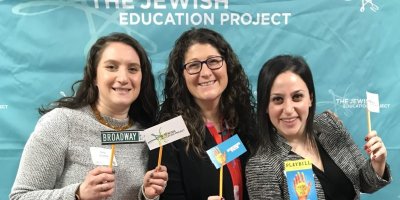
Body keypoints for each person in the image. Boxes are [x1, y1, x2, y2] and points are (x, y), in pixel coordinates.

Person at [10, 32, 168, 200]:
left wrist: (147, 195)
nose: (123, 78)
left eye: (133, 69)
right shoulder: (62, 122)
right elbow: (20, 197)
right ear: (94, 77)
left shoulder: (148, 133)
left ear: (142, 78)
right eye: (111, 67)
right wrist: (78, 194)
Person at [245, 55, 391, 199]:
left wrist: (377, 164)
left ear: (310, 98)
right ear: (265, 106)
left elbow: (365, 183)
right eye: (278, 99)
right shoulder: (261, 165)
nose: (288, 109)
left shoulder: (330, 125)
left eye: (297, 97)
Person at [147, 28, 257, 200]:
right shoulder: (165, 133)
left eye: (213, 61)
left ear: (228, 66)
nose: (205, 73)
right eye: (193, 65)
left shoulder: (246, 122)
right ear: (181, 75)